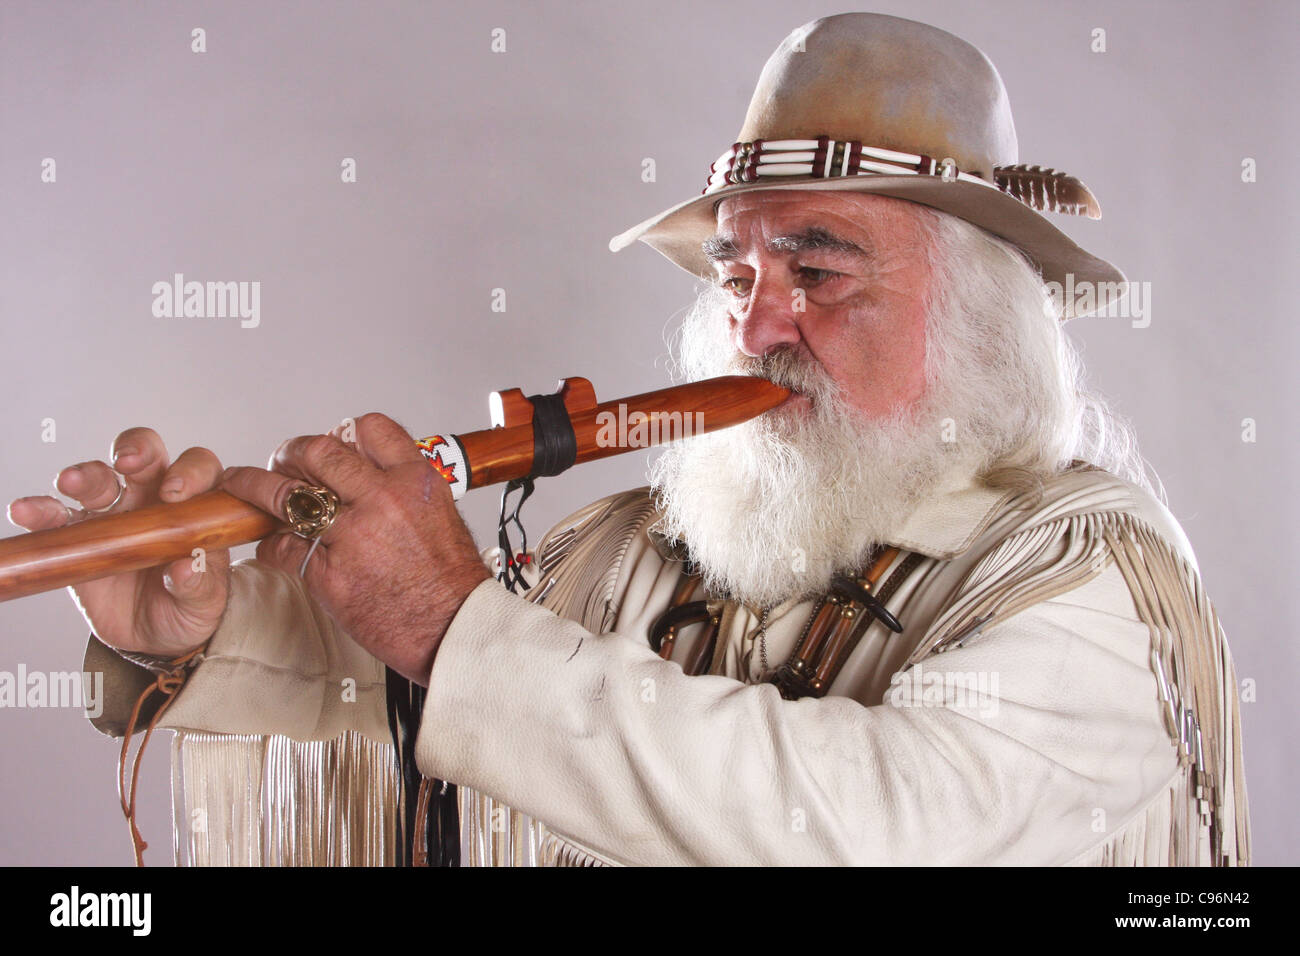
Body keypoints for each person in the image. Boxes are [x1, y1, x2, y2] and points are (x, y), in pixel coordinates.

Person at [8, 13, 1249, 866]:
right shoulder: (660, 547)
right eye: (736, 268)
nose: (755, 319)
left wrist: (453, 620)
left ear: (979, 317)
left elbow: (883, 826)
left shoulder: (1085, 571)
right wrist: (202, 631)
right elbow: (440, 715)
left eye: (817, 266)